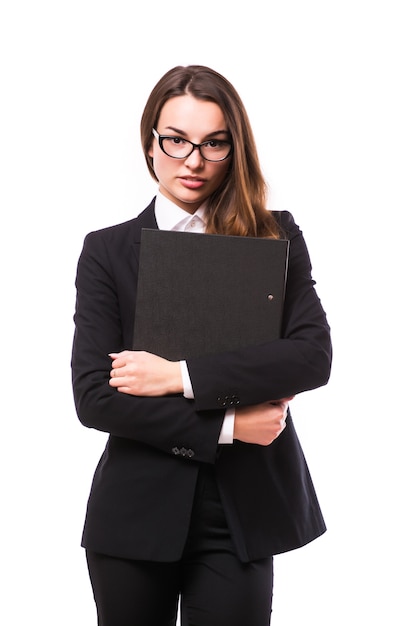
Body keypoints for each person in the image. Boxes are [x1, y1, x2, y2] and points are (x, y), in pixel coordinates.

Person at [71, 64, 332, 626]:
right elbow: (96, 397)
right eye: (177, 141)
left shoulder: (275, 237)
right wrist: (229, 426)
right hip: (134, 509)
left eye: (214, 143)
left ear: (234, 148)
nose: (193, 161)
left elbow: (311, 355)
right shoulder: (107, 252)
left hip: (241, 513)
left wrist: (178, 375)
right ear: (150, 143)